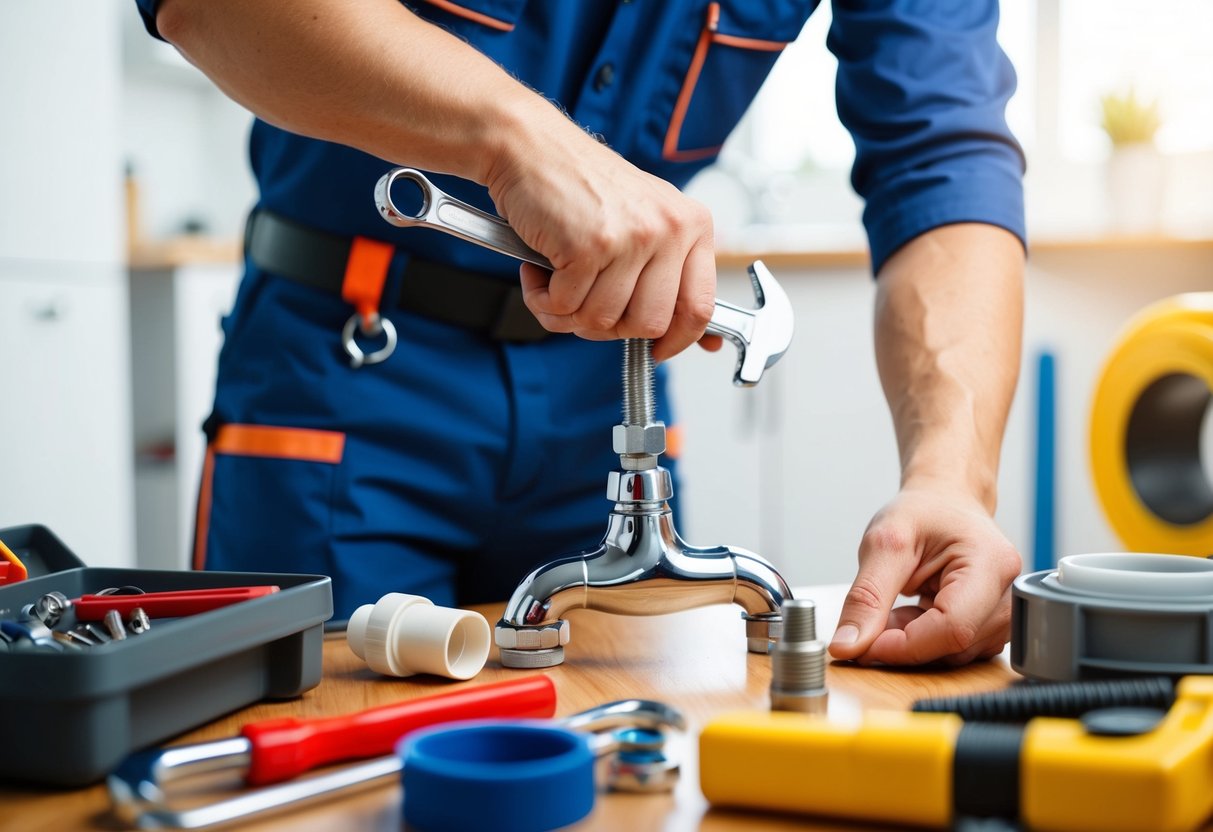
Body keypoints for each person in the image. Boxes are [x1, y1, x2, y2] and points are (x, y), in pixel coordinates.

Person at [136, 0, 1026, 666]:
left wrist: (951, 479)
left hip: (605, 379)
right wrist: (517, 142)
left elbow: (940, 156)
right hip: (349, 374)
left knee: (628, 757)